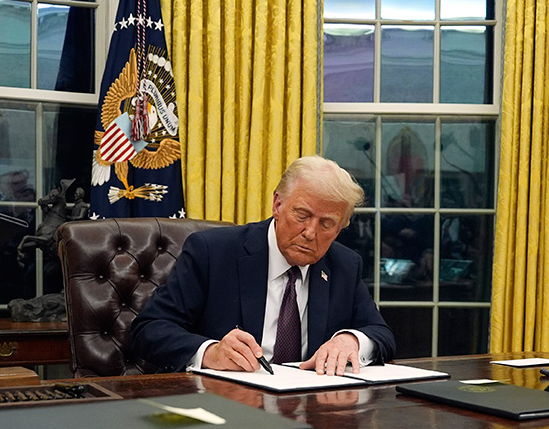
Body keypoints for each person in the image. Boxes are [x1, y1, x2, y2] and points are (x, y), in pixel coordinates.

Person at [130, 155, 395, 375]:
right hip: (226, 406)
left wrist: (352, 340)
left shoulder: (344, 265)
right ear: (277, 205)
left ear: (339, 230)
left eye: (326, 224)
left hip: (313, 408)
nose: (310, 232)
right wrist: (211, 352)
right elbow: (150, 328)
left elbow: (381, 333)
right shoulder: (213, 252)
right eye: (302, 215)